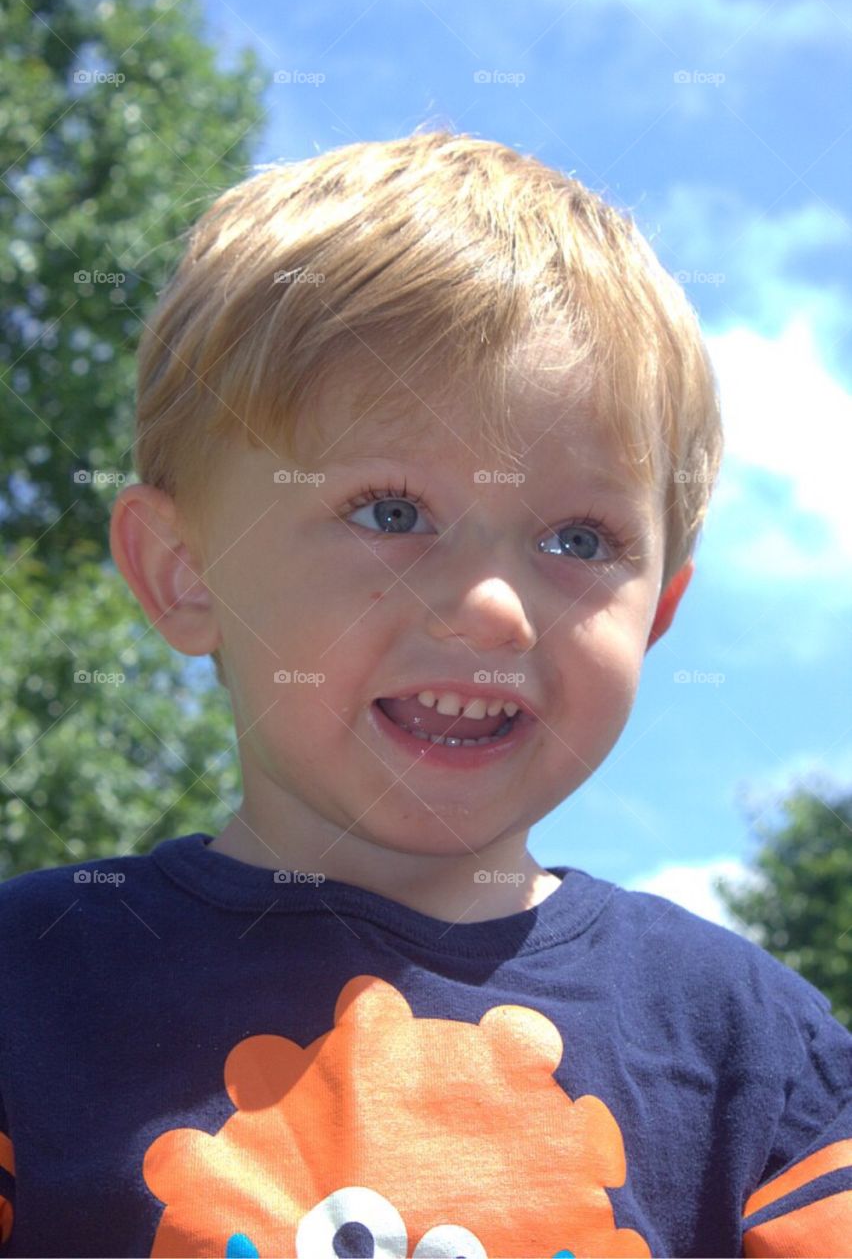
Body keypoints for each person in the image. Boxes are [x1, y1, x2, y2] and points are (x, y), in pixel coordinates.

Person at [0, 130, 849, 1258]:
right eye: (393, 513)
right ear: (183, 570)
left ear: (659, 609)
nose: (495, 607)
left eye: (579, 536)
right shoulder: (31, 984)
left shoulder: (757, 1058)